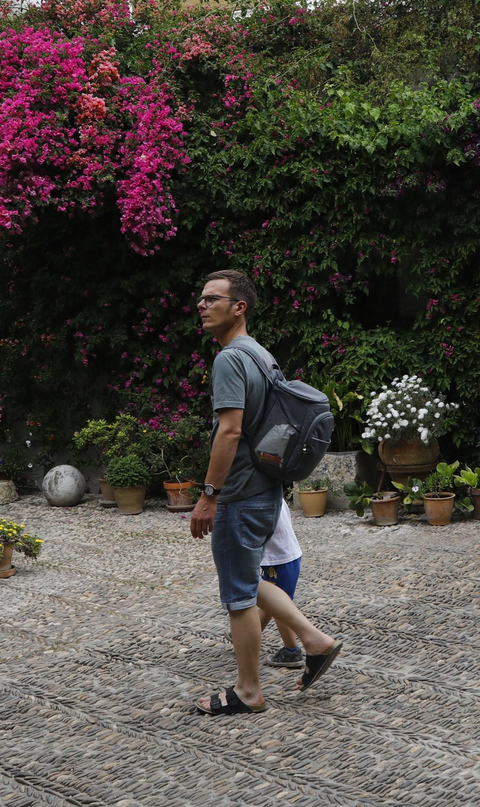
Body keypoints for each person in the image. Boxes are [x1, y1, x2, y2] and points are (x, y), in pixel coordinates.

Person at [190, 269, 341, 715]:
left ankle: (248, 691)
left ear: (239, 307)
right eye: (200, 298)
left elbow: (231, 431)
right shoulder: (260, 355)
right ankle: (315, 641)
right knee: (250, 580)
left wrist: (209, 494)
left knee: (238, 595)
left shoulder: (229, 360)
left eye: (211, 298)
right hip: (267, 487)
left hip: (238, 491)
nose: (201, 305)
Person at [259, 499, 305, 668]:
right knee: (268, 601)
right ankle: (246, 633)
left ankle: (292, 650)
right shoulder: (275, 494)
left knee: (279, 605)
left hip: (277, 560)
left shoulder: (259, 499)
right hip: (289, 555)